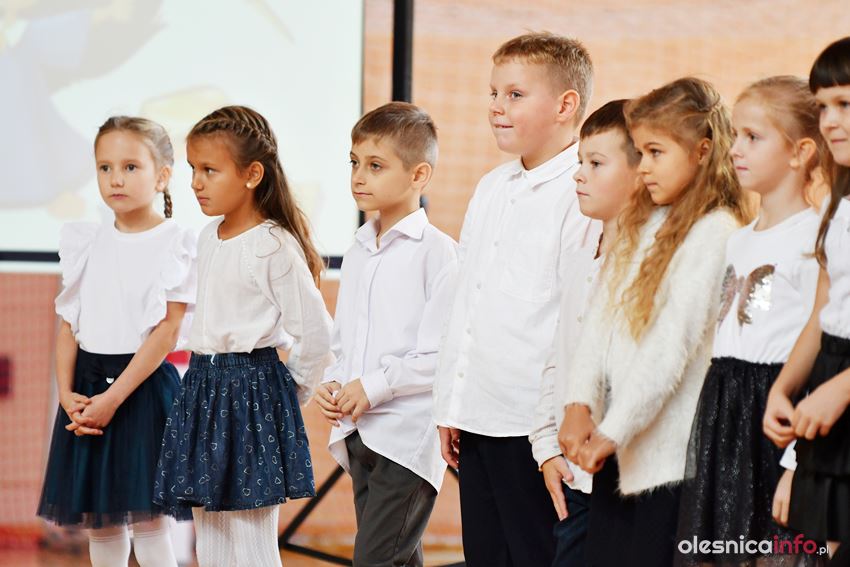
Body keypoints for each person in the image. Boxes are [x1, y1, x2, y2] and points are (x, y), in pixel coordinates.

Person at [560, 77, 751, 567]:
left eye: (656, 152)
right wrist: (578, 403)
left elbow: (670, 347)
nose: (643, 166)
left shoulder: (716, 232)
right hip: (619, 452)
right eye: (641, 152)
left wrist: (612, 430)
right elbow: (600, 321)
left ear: (702, 151)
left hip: (670, 465)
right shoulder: (643, 222)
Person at [432, 31, 599, 567]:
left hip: (533, 427)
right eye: (493, 93)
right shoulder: (490, 187)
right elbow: (466, 304)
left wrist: (551, 433)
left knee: (537, 554)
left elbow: (574, 319)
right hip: (477, 418)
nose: (495, 107)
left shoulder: (581, 193)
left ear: (565, 105)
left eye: (515, 95)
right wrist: (451, 403)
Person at [153, 105, 333, 567]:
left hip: (251, 392)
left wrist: (289, 393)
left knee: (250, 542)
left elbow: (316, 332)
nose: (196, 182)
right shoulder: (208, 236)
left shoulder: (272, 245)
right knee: (211, 538)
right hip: (204, 388)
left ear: (252, 174)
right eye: (193, 169)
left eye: (210, 170)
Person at [677, 75, 826, 566]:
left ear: (800, 152)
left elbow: (821, 355)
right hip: (725, 413)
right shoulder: (738, 240)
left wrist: (797, 463)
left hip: (774, 417)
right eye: (736, 135)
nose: (736, 148)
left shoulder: (814, 240)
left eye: (753, 137)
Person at [38, 116, 196, 567]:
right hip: (87, 390)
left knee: (149, 526)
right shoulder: (84, 241)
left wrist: (112, 398)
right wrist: (67, 394)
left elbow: (166, 331)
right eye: (105, 168)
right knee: (102, 525)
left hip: (141, 390)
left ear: (162, 176)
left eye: (130, 167)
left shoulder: (177, 242)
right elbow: (69, 324)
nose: (115, 179)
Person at [314, 101, 458, 567]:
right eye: (354, 162)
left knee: (375, 560)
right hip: (360, 431)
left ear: (419, 175)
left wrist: (372, 386)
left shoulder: (439, 254)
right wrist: (335, 381)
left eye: (375, 166)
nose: (359, 177)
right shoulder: (358, 251)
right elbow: (346, 342)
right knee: (398, 558)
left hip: (406, 437)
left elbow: (441, 355)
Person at [529, 98, 640, 567]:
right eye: (579, 162)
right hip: (576, 478)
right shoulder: (580, 259)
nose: (578, 175)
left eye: (596, 164)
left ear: (641, 172)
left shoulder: (647, 266)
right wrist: (545, 447)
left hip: (626, 479)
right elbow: (558, 358)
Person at [764, 37, 850, 567]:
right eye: (823, 107)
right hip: (830, 382)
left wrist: (842, 388)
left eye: (846, 104)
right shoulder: (838, 205)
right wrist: (785, 387)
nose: (830, 121)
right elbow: (826, 311)